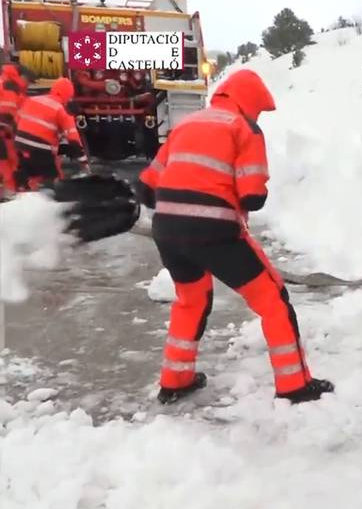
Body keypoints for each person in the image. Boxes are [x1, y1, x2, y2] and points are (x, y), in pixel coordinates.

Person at [137, 69, 334, 405]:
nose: (258, 116)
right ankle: (294, 386)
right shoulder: (244, 128)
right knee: (273, 300)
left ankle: (175, 380)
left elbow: (146, 187)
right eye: (258, 109)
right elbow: (252, 197)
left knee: (191, 302)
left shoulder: (187, 124)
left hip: (167, 230)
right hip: (215, 231)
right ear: (249, 102)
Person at [13, 77, 88, 190]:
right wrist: (84, 163)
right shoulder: (63, 110)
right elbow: (74, 141)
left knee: (32, 177)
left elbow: (16, 120)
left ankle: (28, 194)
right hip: (40, 149)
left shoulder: (33, 99)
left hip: (20, 145)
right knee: (54, 183)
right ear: (68, 95)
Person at [0, 65, 27, 193]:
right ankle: (14, 188)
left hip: (6, 127)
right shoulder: (15, 86)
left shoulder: (6, 83)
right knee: (13, 160)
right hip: (9, 127)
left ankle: (10, 188)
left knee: (5, 161)